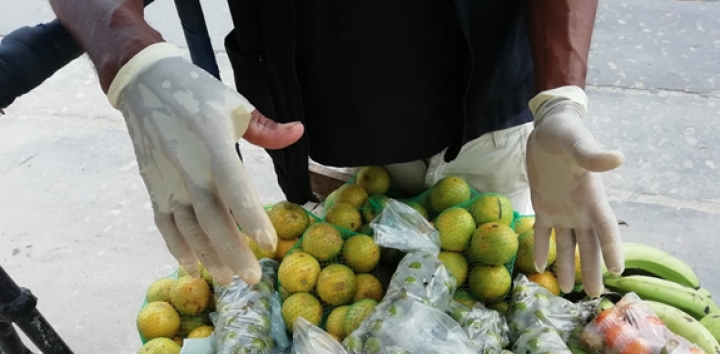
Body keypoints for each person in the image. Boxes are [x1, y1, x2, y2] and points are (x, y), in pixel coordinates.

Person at [46, 0, 624, 297]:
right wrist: (130, 56)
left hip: (489, 120)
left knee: (496, 306)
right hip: (321, 136)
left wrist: (560, 94)